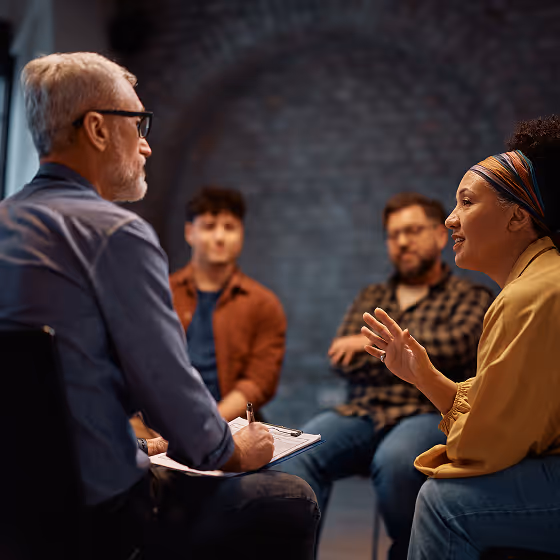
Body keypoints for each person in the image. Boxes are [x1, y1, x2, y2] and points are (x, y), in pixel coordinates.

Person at [0, 52, 319, 560]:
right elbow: (174, 399)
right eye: (139, 123)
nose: (146, 145)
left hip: (14, 505)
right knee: (290, 498)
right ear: (99, 130)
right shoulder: (117, 236)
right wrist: (235, 449)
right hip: (98, 512)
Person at [362, 115, 560, 559]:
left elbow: (483, 449)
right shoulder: (538, 281)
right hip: (366, 410)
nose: (451, 219)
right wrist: (427, 376)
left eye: (467, 202)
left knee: (441, 503)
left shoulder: (528, 296)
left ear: (516, 217)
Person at [281, 193, 493, 560]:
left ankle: (409, 552)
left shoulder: (470, 294)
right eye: (394, 234)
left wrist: (372, 346)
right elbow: (340, 357)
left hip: (426, 412)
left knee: (396, 462)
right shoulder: (373, 294)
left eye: (412, 231)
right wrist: (406, 350)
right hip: (362, 412)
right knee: (298, 454)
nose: (403, 242)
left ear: (440, 236)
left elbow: (459, 345)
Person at [170, 186, 286, 421]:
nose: (220, 237)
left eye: (229, 227)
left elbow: (258, 383)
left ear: (241, 234)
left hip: (232, 423)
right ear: (189, 232)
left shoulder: (263, 304)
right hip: (164, 419)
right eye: (209, 227)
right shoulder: (161, 293)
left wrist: (209, 425)